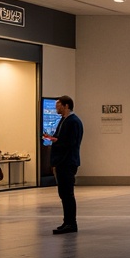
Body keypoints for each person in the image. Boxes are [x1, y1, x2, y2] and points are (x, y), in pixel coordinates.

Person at [46, 95, 83, 234]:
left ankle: (71, 223)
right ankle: (67, 221)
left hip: (67, 162)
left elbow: (71, 142)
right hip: (62, 161)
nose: (56, 107)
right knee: (63, 194)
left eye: (58, 105)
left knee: (67, 194)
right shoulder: (64, 120)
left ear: (66, 106)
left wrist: (56, 141)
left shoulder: (73, 121)